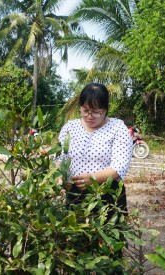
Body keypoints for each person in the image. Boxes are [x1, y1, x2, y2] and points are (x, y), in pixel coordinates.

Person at [57, 82, 133, 220]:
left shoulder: (117, 128)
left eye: (97, 112)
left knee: (109, 239)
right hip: (75, 196)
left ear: (106, 109)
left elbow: (119, 167)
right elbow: (58, 158)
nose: (90, 116)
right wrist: (61, 176)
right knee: (76, 238)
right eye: (85, 110)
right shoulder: (70, 128)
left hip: (107, 196)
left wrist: (92, 179)